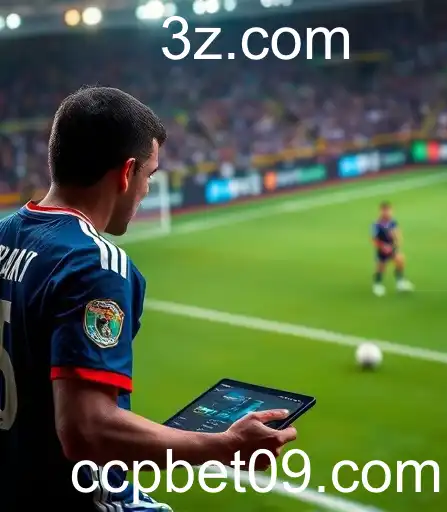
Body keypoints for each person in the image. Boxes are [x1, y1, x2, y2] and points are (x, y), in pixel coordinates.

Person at [0, 86, 297, 511]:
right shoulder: (92, 264)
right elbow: (86, 432)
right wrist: (223, 446)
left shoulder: (4, 234)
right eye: (150, 175)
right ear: (126, 173)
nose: (147, 190)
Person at [371, 201, 414, 296]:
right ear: (381, 211)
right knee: (381, 267)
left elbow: (397, 232)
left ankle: (400, 283)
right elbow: (373, 239)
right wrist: (382, 246)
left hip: (392, 247)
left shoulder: (392, 222)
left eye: (389, 211)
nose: (388, 213)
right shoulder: (376, 224)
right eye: (385, 211)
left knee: (400, 260)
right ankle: (377, 284)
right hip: (382, 248)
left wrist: (397, 241)